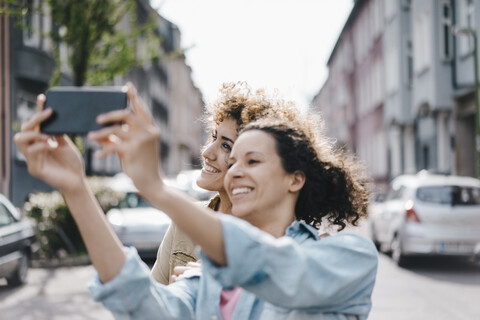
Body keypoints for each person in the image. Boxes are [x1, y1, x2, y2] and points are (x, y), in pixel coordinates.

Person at [14, 82, 378, 319]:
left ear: (295, 178)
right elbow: (139, 301)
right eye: (232, 162)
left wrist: (156, 188)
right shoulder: (207, 279)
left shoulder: (348, 257)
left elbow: (278, 269)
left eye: (251, 160)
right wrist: (76, 189)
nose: (233, 171)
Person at [151, 82, 300, 284]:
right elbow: (156, 301)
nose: (206, 152)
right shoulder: (187, 221)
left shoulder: (289, 240)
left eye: (226, 146)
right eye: (213, 137)